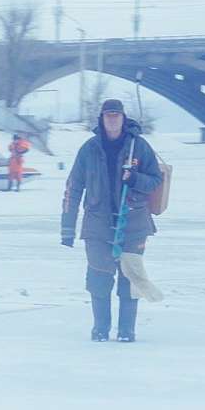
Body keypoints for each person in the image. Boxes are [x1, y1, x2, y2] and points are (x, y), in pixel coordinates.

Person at [61, 99, 163, 342]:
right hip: (97, 226)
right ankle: (101, 329)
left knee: (130, 278)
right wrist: (67, 228)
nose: (113, 119)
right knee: (98, 277)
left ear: (123, 118)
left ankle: (127, 330)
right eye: (108, 115)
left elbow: (156, 179)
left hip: (133, 224)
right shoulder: (89, 149)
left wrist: (135, 179)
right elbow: (73, 188)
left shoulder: (139, 147)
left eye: (116, 115)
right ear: (102, 118)